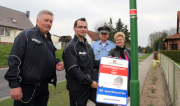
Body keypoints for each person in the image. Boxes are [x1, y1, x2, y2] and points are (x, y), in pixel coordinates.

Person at [4, 10, 64, 106]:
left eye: (51, 21)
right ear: (37, 21)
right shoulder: (26, 35)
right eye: (46, 20)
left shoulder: (48, 40)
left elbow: (47, 56)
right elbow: (14, 59)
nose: (48, 23)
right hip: (27, 88)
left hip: (43, 87)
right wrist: (15, 85)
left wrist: (56, 62)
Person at [63, 18, 102, 106]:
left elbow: (92, 63)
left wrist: (108, 62)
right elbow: (74, 70)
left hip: (89, 86)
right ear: (74, 29)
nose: (83, 29)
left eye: (85, 27)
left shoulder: (88, 46)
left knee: (104, 103)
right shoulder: (71, 47)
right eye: (80, 27)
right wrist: (90, 82)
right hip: (78, 89)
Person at [109, 32, 131, 106]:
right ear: (115, 41)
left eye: (120, 39)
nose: (119, 41)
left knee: (125, 96)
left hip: (128, 77)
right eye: (117, 40)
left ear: (124, 40)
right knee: (117, 99)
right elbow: (109, 63)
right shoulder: (112, 51)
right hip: (117, 78)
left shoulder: (129, 51)